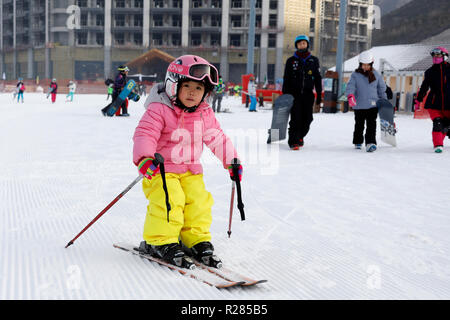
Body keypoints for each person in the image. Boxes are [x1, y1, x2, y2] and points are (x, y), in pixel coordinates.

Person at [132, 55, 242, 269]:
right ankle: (160, 240)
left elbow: (217, 138)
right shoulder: (160, 109)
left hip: (191, 169)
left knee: (198, 202)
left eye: (199, 88)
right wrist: (145, 158)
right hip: (160, 170)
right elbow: (145, 133)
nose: (193, 92)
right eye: (188, 86)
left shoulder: (204, 113)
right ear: (173, 86)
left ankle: (195, 239)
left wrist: (232, 161)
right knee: (170, 199)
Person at [282, 35, 322, 150]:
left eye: (304, 43)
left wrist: (319, 96)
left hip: (308, 95)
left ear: (307, 45)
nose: (302, 45)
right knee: (295, 118)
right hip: (294, 95)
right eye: (299, 44)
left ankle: (300, 136)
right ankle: (293, 141)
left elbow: (318, 79)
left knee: (308, 118)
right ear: (296, 45)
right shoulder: (291, 61)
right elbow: (286, 79)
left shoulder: (314, 60)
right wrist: (285, 95)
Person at [345, 51, 387, 152]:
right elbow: (350, 86)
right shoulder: (355, 75)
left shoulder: (376, 75)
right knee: (359, 124)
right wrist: (350, 96)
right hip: (359, 105)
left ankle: (370, 142)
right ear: (360, 64)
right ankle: (358, 141)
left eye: (368, 65)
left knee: (371, 124)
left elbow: (381, 89)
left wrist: (384, 100)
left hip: (373, 105)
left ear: (371, 64)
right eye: (363, 64)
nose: (365, 67)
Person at [416, 47, 450, 153]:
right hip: (434, 103)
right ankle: (438, 145)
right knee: (438, 123)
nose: (436, 58)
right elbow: (424, 87)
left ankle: (447, 130)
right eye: (434, 56)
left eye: (438, 55)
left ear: (444, 56)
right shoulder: (430, 72)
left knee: (446, 125)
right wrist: (419, 100)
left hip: (449, 103)